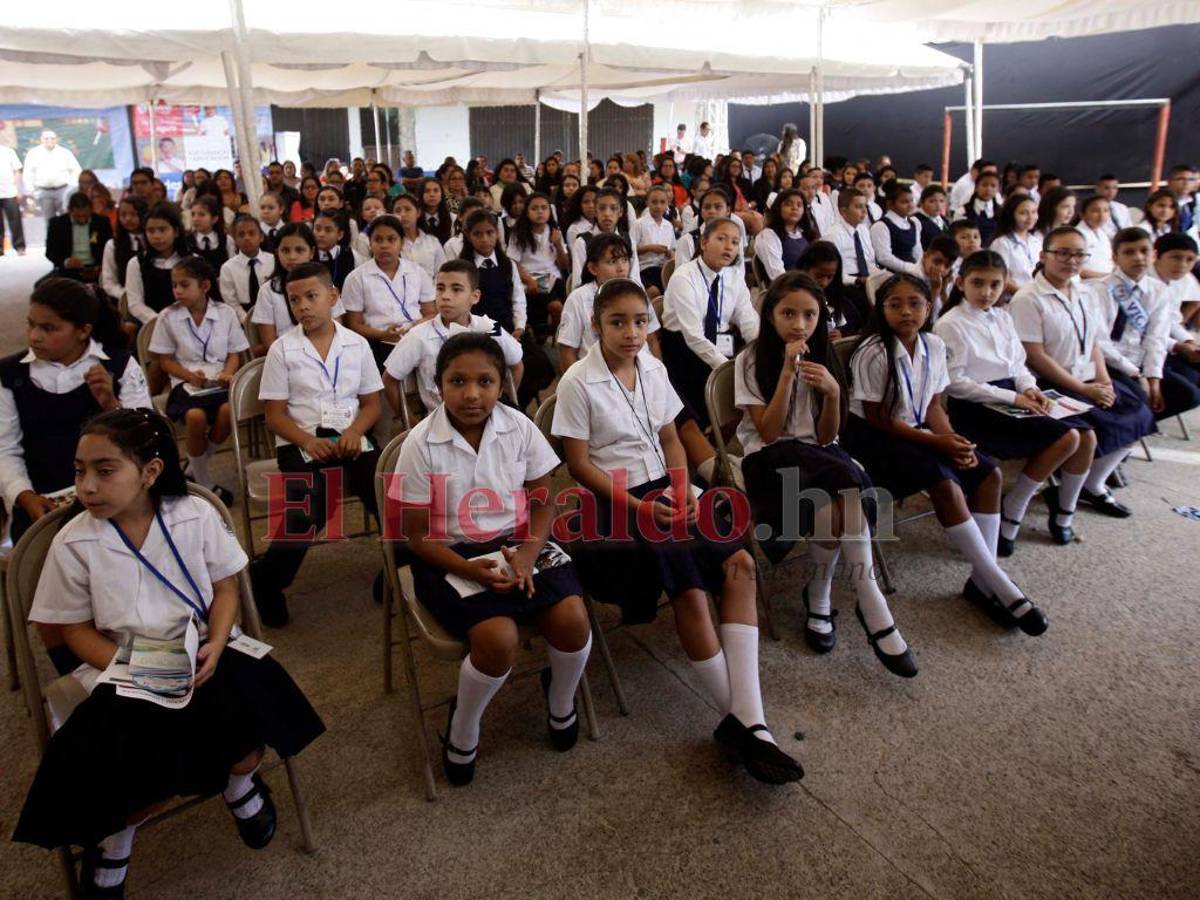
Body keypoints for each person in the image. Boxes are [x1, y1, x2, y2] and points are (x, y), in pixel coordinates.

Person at [12, 406, 324, 897]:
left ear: (150, 472)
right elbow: (71, 628)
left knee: (247, 738)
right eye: (79, 471)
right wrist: (132, 667)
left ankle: (240, 784)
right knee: (130, 775)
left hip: (202, 648)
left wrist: (219, 641)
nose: (86, 485)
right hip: (122, 664)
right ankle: (116, 841)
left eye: (104, 470)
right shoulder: (73, 541)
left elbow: (225, 590)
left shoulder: (193, 513)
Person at [552, 277, 801, 783]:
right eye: (617, 322)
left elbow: (671, 437)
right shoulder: (579, 381)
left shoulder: (653, 368)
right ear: (596, 324)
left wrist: (685, 487)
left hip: (668, 490)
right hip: (615, 504)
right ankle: (750, 724)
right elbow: (579, 466)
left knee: (740, 563)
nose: (630, 333)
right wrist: (643, 508)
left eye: (640, 321)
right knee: (688, 585)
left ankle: (747, 721)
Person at [394, 333, 591, 786]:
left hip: (521, 543)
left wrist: (527, 554)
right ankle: (463, 726)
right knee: (497, 639)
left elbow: (544, 503)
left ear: (502, 385)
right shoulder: (421, 444)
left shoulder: (518, 427)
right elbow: (416, 536)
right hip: (450, 555)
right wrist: (467, 569)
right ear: (437, 384)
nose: (471, 394)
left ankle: (561, 701)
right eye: (457, 381)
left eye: (485, 381)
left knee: (573, 619)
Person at [843, 274, 1048, 636]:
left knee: (988, 475)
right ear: (881, 309)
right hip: (876, 439)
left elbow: (935, 404)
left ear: (928, 306)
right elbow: (878, 418)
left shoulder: (934, 345)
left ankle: (980, 583)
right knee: (945, 483)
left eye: (915, 304)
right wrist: (938, 444)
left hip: (921, 430)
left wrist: (953, 440)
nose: (906, 312)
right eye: (895, 305)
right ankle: (999, 583)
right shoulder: (872, 350)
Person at [736, 271, 915, 669]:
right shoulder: (750, 359)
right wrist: (785, 374)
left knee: (833, 508)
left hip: (817, 453)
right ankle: (868, 604)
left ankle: (821, 600)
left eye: (809, 315)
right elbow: (767, 432)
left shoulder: (825, 355)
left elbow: (826, 437)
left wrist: (833, 393)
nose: (799, 324)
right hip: (771, 456)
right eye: (788, 313)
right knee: (847, 484)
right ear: (770, 316)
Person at [934, 251, 1095, 562]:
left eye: (994, 285)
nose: (986, 292)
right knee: (1069, 437)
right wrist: (1013, 398)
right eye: (977, 283)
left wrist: (1030, 388)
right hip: (976, 408)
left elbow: (1018, 364)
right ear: (960, 282)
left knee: (1086, 435)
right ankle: (1014, 508)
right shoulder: (951, 323)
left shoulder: (1003, 316)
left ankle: (1063, 512)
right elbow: (955, 384)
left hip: (1011, 395)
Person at [251, 262, 383, 627]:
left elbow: (372, 404)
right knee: (312, 507)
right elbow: (274, 416)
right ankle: (267, 581)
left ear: (333, 296)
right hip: (301, 440)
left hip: (351, 436)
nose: (303, 307)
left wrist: (355, 432)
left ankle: (396, 570)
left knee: (388, 493)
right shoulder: (282, 350)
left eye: (311, 297)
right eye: (295, 300)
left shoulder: (357, 344)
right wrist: (309, 440)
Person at [1010, 226, 1156, 528]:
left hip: (1088, 377)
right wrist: (1086, 390)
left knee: (1139, 411)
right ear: (1044, 256)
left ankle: (1092, 482)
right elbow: (1035, 356)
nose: (1071, 260)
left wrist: (1103, 381)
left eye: (1079, 255)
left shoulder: (1086, 292)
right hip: (1051, 383)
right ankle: (1066, 505)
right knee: (1091, 428)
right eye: (1062, 253)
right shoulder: (1028, 298)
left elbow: (1093, 342)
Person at [0, 277, 151, 548]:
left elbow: (149, 439)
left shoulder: (118, 365)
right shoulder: (11, 375)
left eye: (49, 328)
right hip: (42, 501)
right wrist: (24, 496)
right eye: (31, 324)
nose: (35, 336)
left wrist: (111, 405)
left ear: (83, 331)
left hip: (116, 499)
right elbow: (5, 448)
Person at [383, 258, 523, 416]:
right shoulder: (418, 336)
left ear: (475, 297)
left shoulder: (490, 326)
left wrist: (501, 403)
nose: (445, 296)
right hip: (441, 421)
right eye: (440, 289)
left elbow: (517, 364)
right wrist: (412, 425)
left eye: (456, 289)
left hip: (486, 415)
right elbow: (389, 379)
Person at [1093, 228, 1200, 422]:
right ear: (1115, 258)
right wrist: (1136, 374)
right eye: (1129, 252)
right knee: (1139, 399)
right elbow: (1100, 343)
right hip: (1110, 363)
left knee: (1188, 395)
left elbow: (1156, 338)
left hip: (1140, 361)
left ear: (1153, 255)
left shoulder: (1157, 290)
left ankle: (1135, 428)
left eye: (1144, 251)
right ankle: (1128, 431)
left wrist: (1154, 379)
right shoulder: (1100, 290)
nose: (1138, 258)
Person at [659, 218, 758, 426]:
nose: (729, 246)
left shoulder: (734, 276)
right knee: (724, 390)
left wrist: (760, 348)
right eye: (721, 239)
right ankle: (709, 432)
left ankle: (732, 428)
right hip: (684, 349)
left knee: (756, 369)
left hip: (722, 343)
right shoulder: (684, 277)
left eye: (734, 241)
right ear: (704, 243)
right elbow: (693, 336)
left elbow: (748, 320)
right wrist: (726, 369)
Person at [342, 214, 436, 369]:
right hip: (377, 343)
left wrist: (415, 328)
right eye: (378, 240)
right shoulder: (356, 278)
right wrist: (382, 335)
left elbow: (431, 313)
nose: (384, 245)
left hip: (417, 338)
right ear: (370, 243)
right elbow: (353, 324)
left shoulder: (417, 272)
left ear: (402, 242)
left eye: (391, 239)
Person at [558, 233, 662, 370]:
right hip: (597, 377)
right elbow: (568, 352)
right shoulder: (578, 299)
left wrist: (659, 372)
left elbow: (652, 339)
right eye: (612, 262)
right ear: (593, 268)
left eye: (625, 260)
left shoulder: (637, 292)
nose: (621, 268)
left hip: (642, 371)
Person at [250, 223, 345, 355]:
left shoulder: (326, 286)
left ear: (311, 252)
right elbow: (269, 343)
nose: (292, 257)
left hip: (326, 353)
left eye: (299, 250)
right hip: (285, 356)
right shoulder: (267, 291)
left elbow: (337, 330)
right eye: (285, 250)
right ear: (277, 252)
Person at [507, 191, 569, 339]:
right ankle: (537, 333)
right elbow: (513, 261)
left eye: (544, 208)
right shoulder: (519, 232)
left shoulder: (554, 231)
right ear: (527, 212)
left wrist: (558, 244)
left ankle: (556, 335)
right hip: (527, 278)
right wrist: (528, 279)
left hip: (552, 279)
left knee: (557, 307)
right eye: (534, 208)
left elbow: (564, 264)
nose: (540, 212)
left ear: (550, 210)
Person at [570, 189, 641, 287]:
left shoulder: (628, 241)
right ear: (595, 211)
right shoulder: (583, 242)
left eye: (613, 208)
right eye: (602, 208)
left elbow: (635, 279)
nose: (607, 213)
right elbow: (578, 283)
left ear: (620, 212)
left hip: (625, 294)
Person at [45, 191, 112, 282]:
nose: (82, 219)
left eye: (86, 216)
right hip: (67, 271)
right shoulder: (57, 224)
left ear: (91, 210)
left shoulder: (102, 223)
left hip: (95, 269)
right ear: (69, 210)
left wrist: (100, 267)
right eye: (78, 216)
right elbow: (50, 252)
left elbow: (109, 249)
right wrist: (66, 262)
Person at [827, 187, 881, 295]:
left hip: (866, 278)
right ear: (843, 211)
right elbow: (833, 273)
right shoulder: (833, 235)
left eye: (865, 206)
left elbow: (869, 261)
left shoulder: (863, 229)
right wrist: (856, 280)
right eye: (858, 207)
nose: (864, 211)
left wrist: (881, 276)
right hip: (847, 283)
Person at [23, 130, 82, 222]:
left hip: (63, 191)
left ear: (56, 139)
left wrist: (72, 188)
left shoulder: (65, 153)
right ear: (41, 139)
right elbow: (28, 173)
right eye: (46, 138)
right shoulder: (33, 154)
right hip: (43, 191)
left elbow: (76, 170)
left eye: (52, 138)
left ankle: (66, 236)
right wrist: (31, 191)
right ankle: (52, 236)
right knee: (49, 220)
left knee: (67, 218)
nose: (49, 140)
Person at [219, 214, 273, 313]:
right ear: (234, 239)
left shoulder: (273, 261)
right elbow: (231, 301)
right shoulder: (228, 268)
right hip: (243, 315)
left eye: (251, 233)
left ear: (261, 237)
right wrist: (246, 321)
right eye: (241, 234)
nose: (247, 238)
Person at [754, 189, 812, 281]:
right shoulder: (768, 236)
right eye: (788, 204)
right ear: (778, 208)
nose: (795, 208)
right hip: (787, 289)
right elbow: (778, 276)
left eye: (799, 205)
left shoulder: (806, 234)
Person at [990, 193, 1043, 293]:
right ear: (1011, 215)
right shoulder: (1002, 243)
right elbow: (1001, 275)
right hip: (1014, 297)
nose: (1030, 217)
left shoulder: (1036, 241)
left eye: (1034, 212)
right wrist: (1023, 294)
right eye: (1023, 213)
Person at [870, 182, 923, 277]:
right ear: (890, 204)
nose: (910, 205)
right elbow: (883, 257)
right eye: (904, 202)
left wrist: (921, 267)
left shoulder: (914, 224)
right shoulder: (881, 226)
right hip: (890, 275)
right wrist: (910, 268)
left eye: (911, 201)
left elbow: (917, 251)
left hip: (913, 272)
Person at [631, 184, 676, 296]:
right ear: (647, 203)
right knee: (654, 291)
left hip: (662, 269)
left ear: (667, 204)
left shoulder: (668, 226)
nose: (658, 206)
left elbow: (673, 249)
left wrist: (670, 253)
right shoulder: (639, 224)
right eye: (654, 202)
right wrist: (649, 248)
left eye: (662, 202)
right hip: (643, 269)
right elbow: (629, 251)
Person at [391, 193, 446, 279]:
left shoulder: (432, 242)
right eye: (398, 211)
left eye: (408, 209)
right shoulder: (390, 244)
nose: (402, 214)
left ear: (418, 213)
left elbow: (442, 272)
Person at [313, 208, 359, 291]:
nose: (321, 234)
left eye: (328, 230)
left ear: (340, 235)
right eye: (317, 229)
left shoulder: (351, 255)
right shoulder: (308, 254)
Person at [956, 169, 1001, 247]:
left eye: (993, 186)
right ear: (976, 187)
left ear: (998, 189)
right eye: (984, 185)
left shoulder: (1002, 212)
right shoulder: (963, 211)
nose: (988, 189)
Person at [0, 140, 25, 254]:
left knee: (15, 220)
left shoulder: (8, 152)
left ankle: (19, 246)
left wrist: (18, 189)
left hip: (10, 191)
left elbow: (17, 171)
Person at [914, 185, 948, 251]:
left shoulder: (945, 220)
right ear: (922, 202)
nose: (938, 205)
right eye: (932, 201)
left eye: (941, 201)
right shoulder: (916, 220)